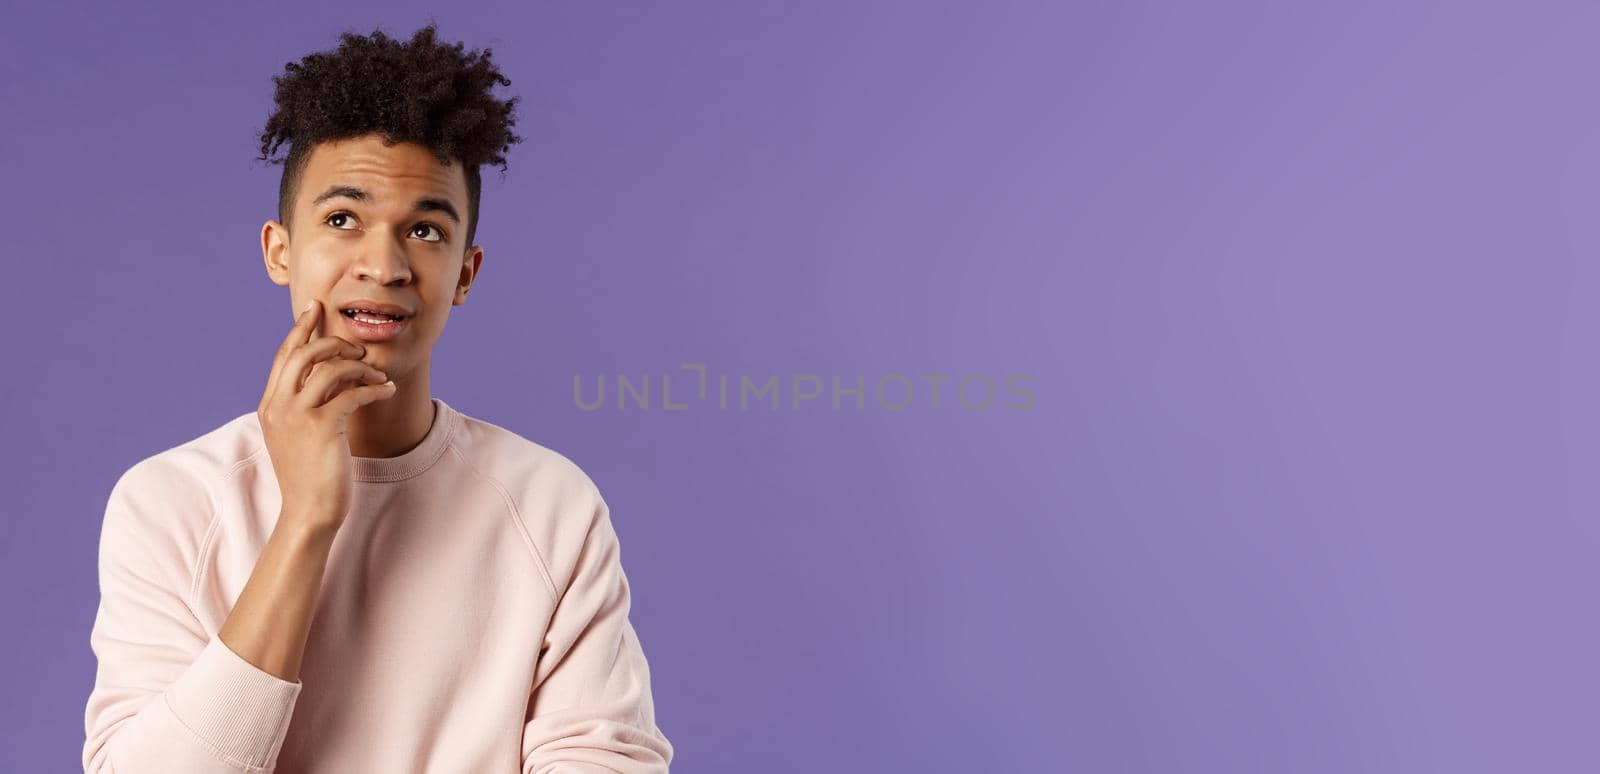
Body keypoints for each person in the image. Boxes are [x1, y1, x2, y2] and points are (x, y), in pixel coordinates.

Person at [81, 23, 673, 773]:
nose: (384, 264)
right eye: (341, 220)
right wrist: (307, 521)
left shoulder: (550, 504)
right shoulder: (170, 501)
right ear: (278, 250)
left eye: (425, 230)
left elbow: (605, 760)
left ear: (466, 274)